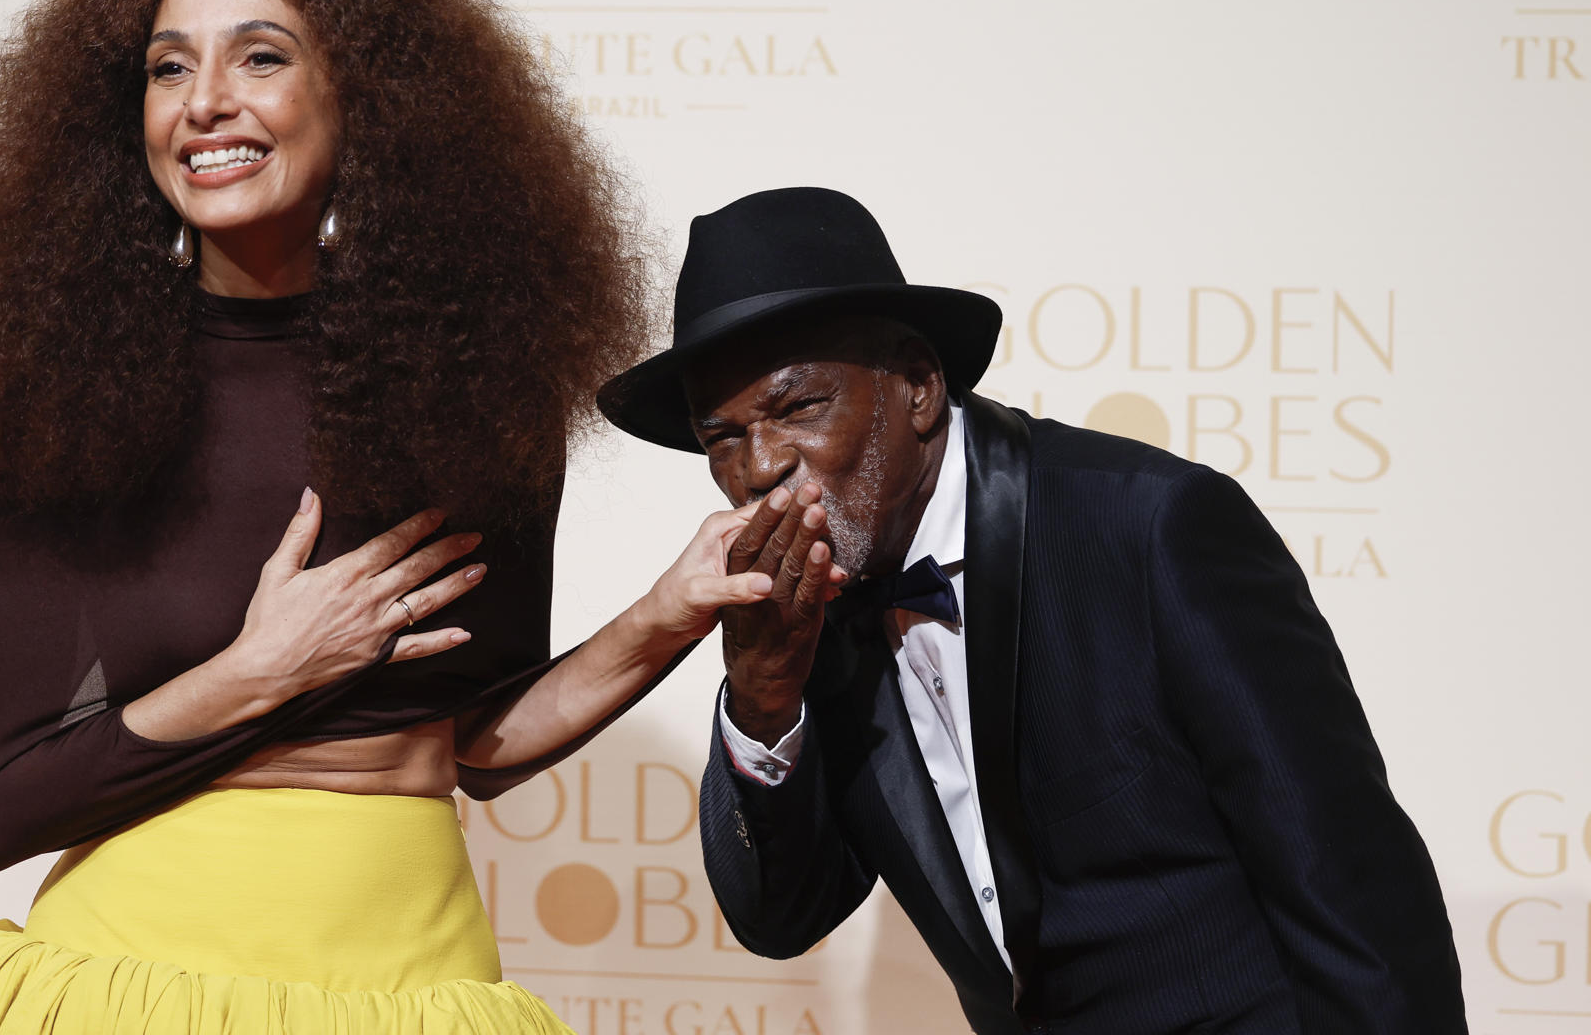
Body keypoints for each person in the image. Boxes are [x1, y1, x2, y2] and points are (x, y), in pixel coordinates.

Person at [0, 0, 784, 1034]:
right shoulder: (65, 393)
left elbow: (471, 744)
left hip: (414, 982)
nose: (206, 100)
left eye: (260, 56)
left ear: (364, 94)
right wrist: (263, 668)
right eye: (169, 66)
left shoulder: (478, 382)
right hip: (135, 984)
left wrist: (665, 613)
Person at [597, 187, 1468, 1034]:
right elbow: (779, 919)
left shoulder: (1151, 529)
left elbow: (1353, 892)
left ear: (917, 386)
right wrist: (763, 696)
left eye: (798, 408)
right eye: (722, 438)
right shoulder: (805, 615)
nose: (758, 467)